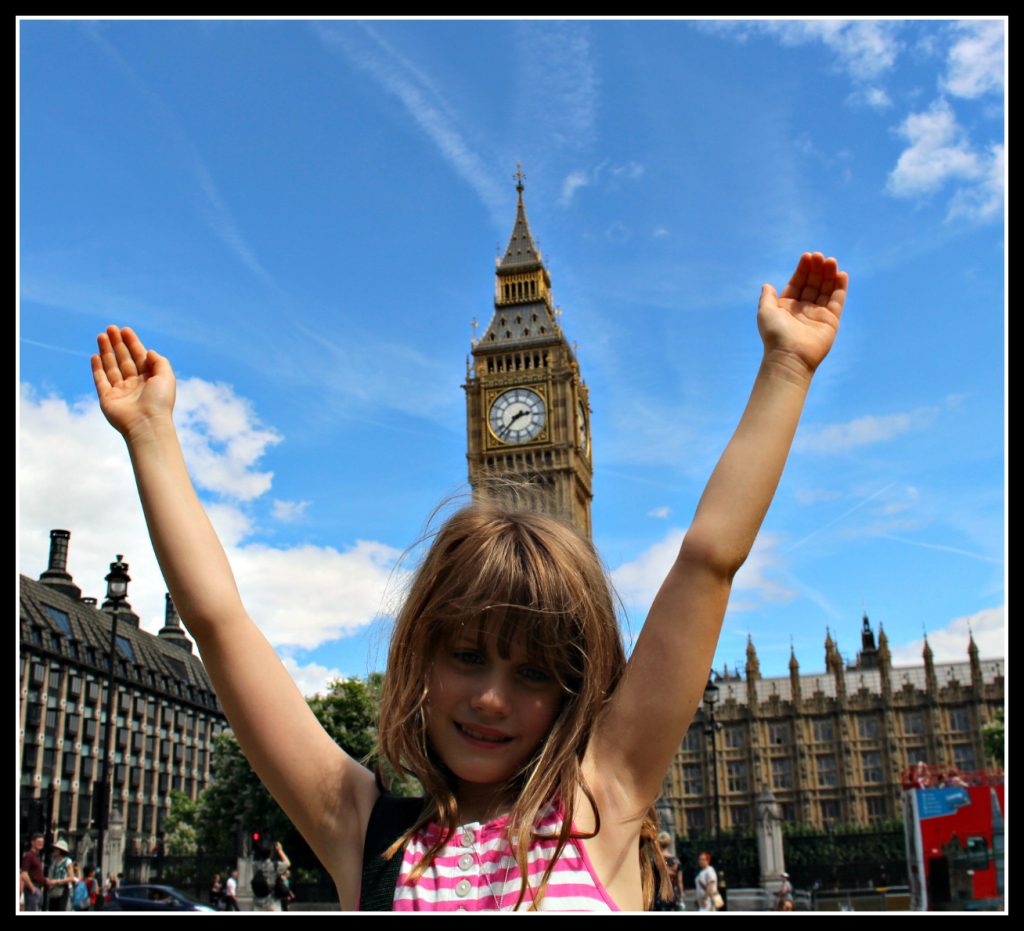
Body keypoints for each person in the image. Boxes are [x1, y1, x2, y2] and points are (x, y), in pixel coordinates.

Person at [91, 252, 848, 911]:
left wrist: (786, 368)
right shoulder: (366, 835)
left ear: (574, 691)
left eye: (531, 672)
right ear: (419, 656)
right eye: (466, 656)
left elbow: (707, 560)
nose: (491, 696)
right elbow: (221, 625)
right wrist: (153, 435)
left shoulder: (602, 804)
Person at [252, 841, 291, 912]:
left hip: (257, 901)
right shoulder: (275, 866)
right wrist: (280, 850)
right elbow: (288, 863)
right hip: (272, 901)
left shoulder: (254, 865)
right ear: (271, 853)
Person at [652, 832, 684, 911]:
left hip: (658, 896)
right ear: (669, 843)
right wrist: (681, 897)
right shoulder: (676, 861)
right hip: (673, 896)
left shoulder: (654, 861)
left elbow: (652, 881)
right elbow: (680, 882)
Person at [45, 838, 77, 912]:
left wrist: (56, 881)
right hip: (53, 889)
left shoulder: (67, 861)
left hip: (63, 889)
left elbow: (71, 877)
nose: (54, 851)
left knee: (61, 909)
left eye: (56, 849)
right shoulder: (54, 861)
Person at [20, 834, 46, 911]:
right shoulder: (29, 856)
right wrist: (32, 889)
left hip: (38, 888)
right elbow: (24, 874)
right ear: (32, 842)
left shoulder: (37, 856)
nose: (40, 844)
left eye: (42, 842)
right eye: (38, 842)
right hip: (32, 888)